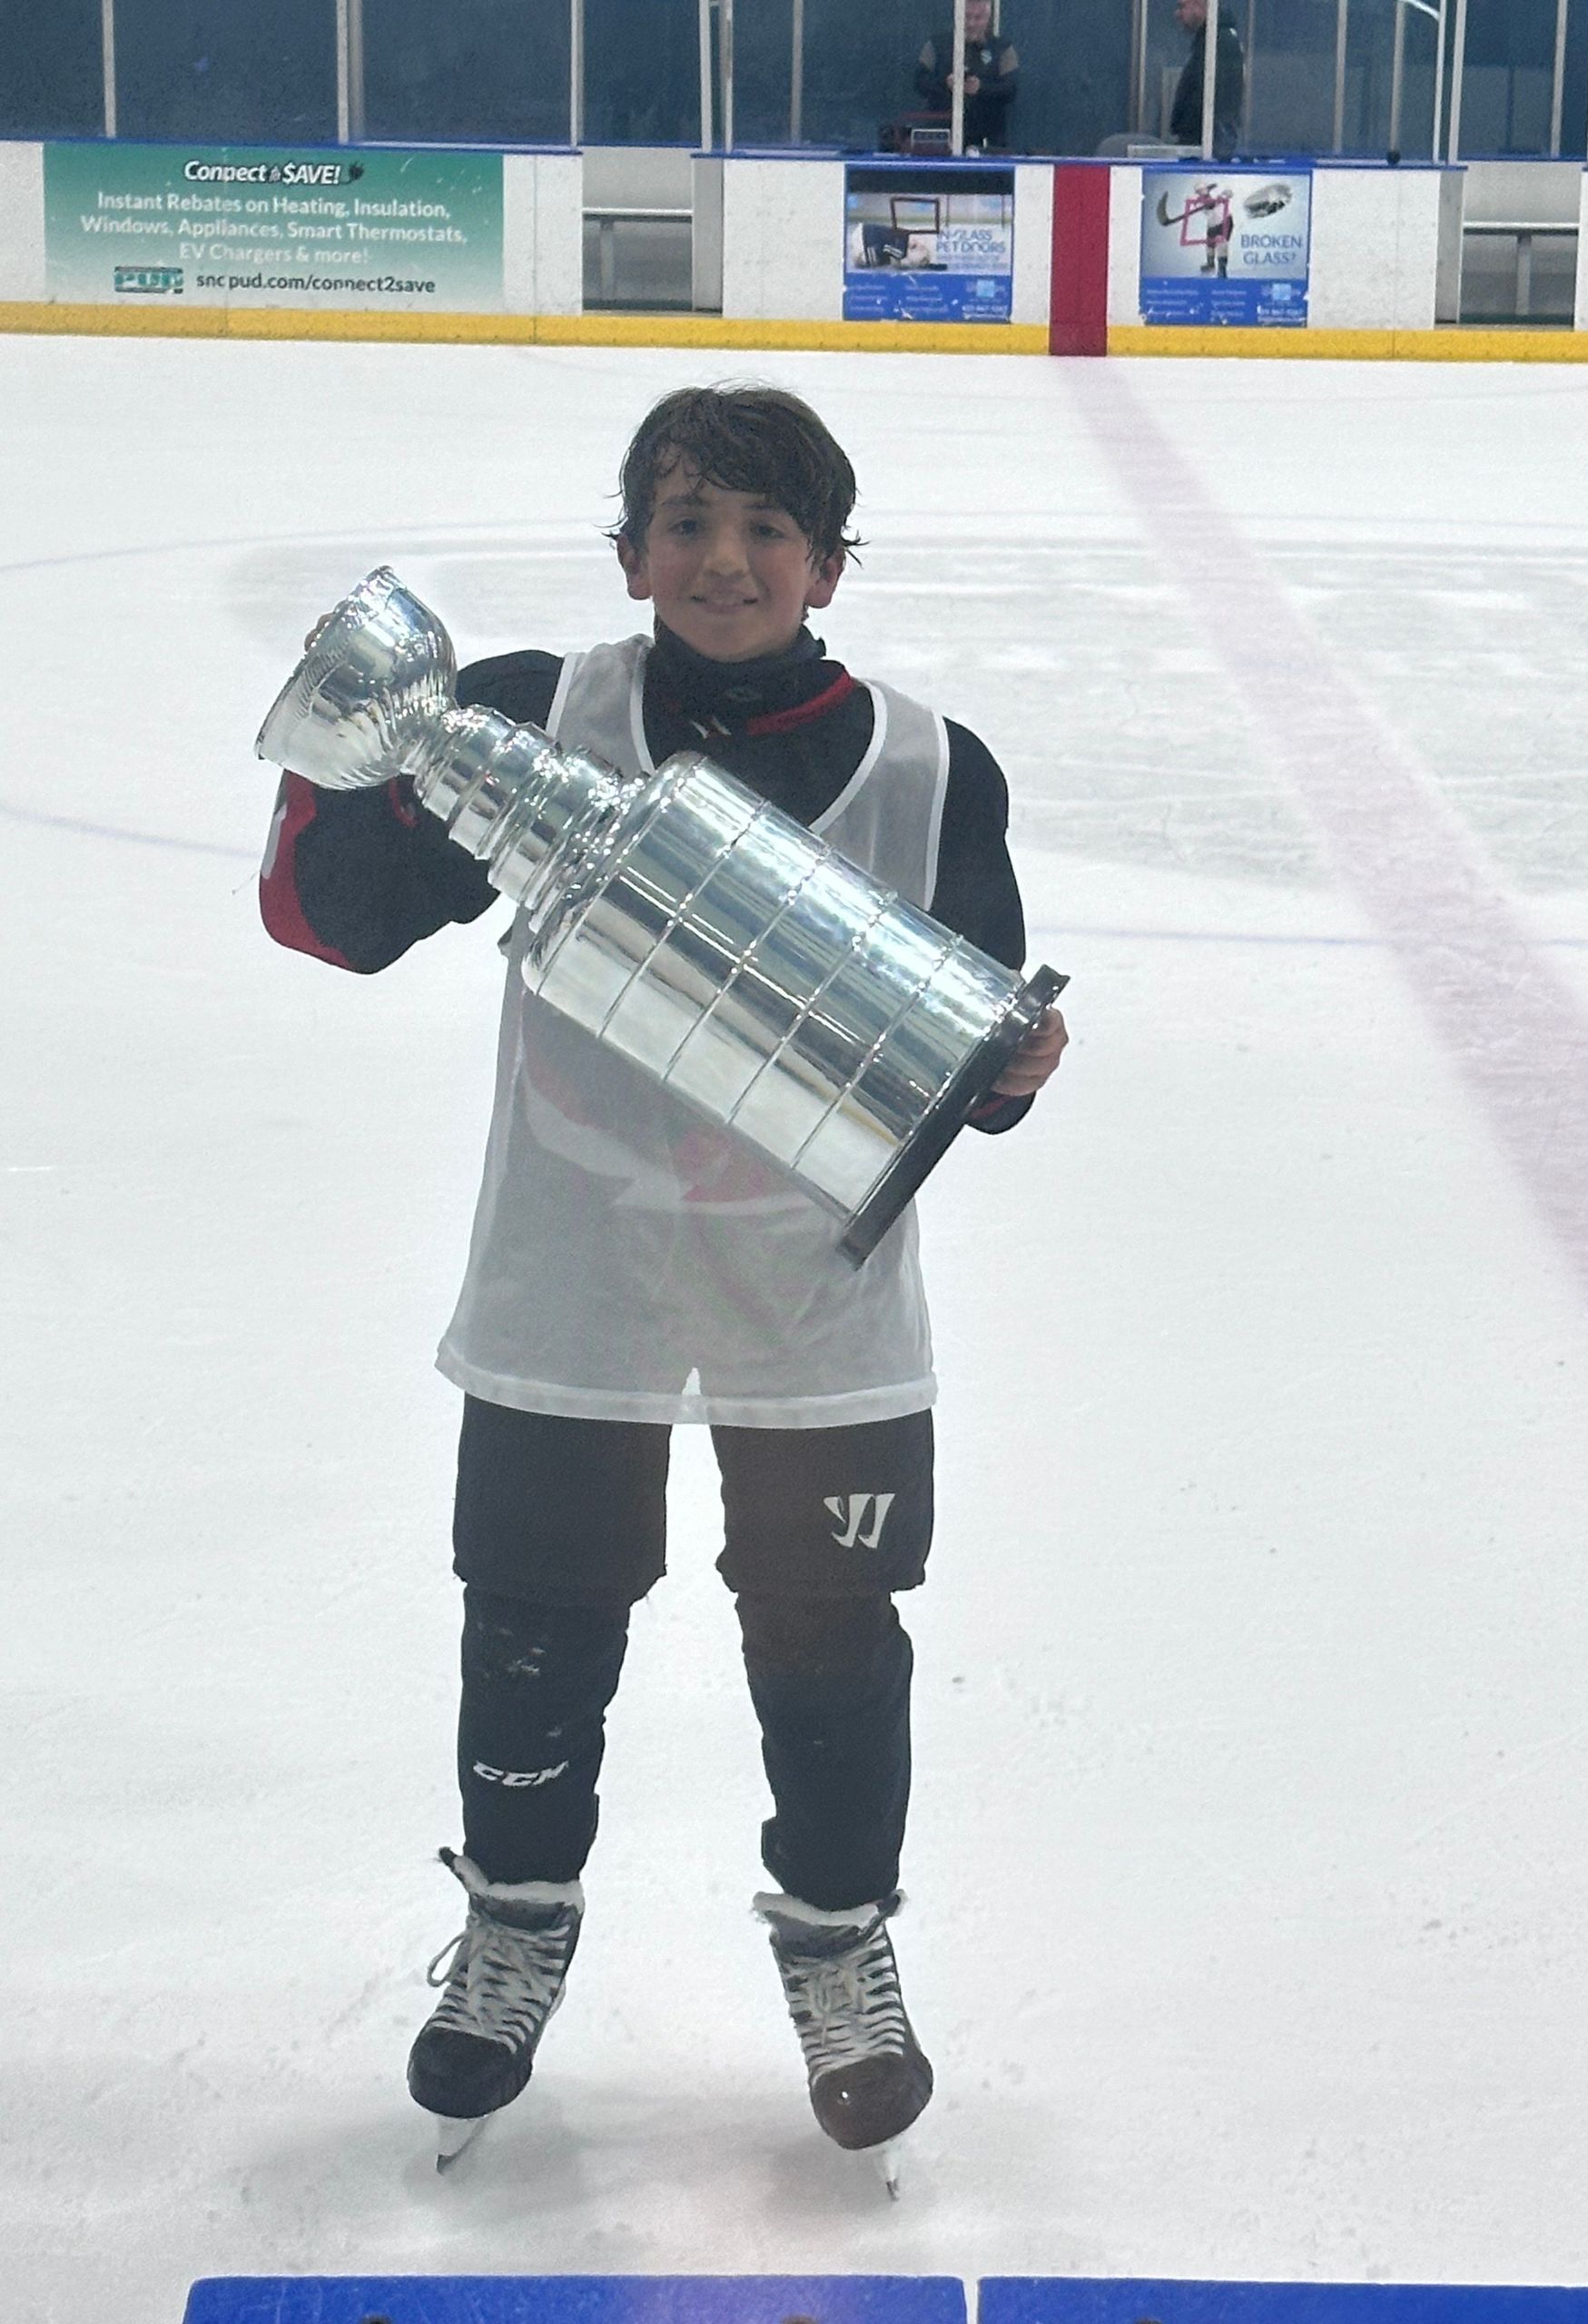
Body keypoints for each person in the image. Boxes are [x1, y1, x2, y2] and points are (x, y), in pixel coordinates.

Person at [258, 385, 1068, 2175]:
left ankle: (843, 1947)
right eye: (689, 522)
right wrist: (338, 767)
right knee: (534, 1626)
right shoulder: (546, 715)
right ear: (631, 550)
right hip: (575, 1291)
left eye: (770, 529)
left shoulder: (938, 763)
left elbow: (971, 1054)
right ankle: (518, 1925)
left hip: (822, 1312)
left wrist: (1016, 1064)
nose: (727, 559)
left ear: (832, 564)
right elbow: (344, 921)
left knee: (831, 1645)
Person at [914, 0, 1019, 152]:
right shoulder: (937, 45)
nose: (971, 23)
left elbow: (1011, 89)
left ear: (987, 19)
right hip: (942, 141)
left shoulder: (1003, 49)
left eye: (978, 18)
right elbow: (919, 82)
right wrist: (946, 84)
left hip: (988, 142)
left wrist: (980, 88)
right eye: (967, 17)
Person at [1168, 0, 1245, 158]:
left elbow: (1221, 104)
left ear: (1199, 6)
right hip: (1200, 144)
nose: (1177, 14)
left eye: (1182, 6)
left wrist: (1210, 147)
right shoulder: (1209, 40)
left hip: (1206, 148)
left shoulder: (1220, 42)